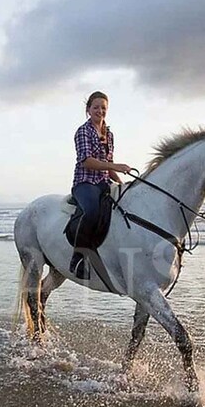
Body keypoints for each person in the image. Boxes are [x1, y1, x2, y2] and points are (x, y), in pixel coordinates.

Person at [69, 91, 131, 279]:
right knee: (92, 212)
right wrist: (115, 166)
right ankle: (78, 257)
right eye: (96, 107)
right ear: (88, 110)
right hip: (85, 183)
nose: (100, 111)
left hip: (104, 182)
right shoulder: (83, 131)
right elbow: (87, 161)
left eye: (103, 107)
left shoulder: (109, 134)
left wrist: (121, 183)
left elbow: (107, 163)